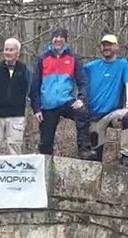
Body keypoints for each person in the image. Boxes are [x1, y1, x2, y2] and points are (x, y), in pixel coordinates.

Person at [29, 26, 89, 157]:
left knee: (82, 113)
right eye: (56, 36)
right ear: (52, 39)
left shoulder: (73, 58)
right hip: (48, 104)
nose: (58, 39)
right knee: (45, 143)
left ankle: (85, 149)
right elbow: (35, 85)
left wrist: (81, 98)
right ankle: (45, 167)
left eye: (61, 37)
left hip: (66, 101)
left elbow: (83, 81)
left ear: (65, 40)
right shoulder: (42, 58)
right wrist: (36, 108)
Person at [83, 34, 128, 163]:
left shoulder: (123, 65)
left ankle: (126, 155)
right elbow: (78, 83)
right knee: (95, 157)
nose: (106, 47)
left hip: (113, 113)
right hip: (94, 115)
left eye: (110, 45)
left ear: (116, 47)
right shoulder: (90, 67)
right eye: (104, 45)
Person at [0, 38, 32, 155]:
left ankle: (14, 172)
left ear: (18, 53)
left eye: (11, 50)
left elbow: (29, 89)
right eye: (6, 49)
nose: (8, 52)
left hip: (16, 114)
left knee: (14, 147)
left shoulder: (24, 70)